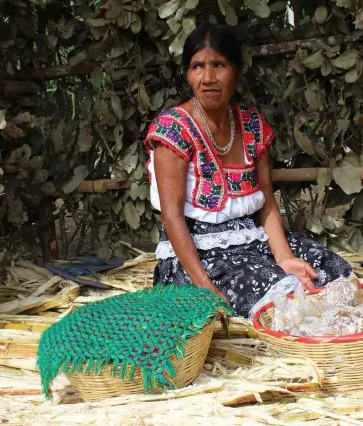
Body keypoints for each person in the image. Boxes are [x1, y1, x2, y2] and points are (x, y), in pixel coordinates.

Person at [143, 23, 352, 319]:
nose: (208, 78)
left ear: (237, 71)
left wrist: (284, 256)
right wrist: (204, 286)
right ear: (188, 74)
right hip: (198, 257)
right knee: (287, 297)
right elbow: (171, 217)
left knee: (328, 270)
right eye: (197, 66)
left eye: (219, 65)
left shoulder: (253, 127)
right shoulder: (173, 129)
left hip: (253, 240)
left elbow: (266, 202)